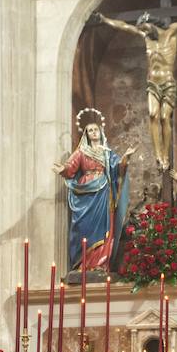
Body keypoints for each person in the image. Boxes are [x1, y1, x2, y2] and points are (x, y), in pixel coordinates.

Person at [92, 2, 177, 171]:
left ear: (152, 24)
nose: (142, 31)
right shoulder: (146, 37)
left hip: (168, 83)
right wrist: (105, 19)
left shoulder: (172, 32)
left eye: (144, 27)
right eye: (141, 29)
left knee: (165, 117)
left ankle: (165, 156)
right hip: (153, 83)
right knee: (152, 114)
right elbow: (124, 26)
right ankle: (158, 155)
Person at [54, 108, 135, 274]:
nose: (93, 132)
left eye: (95, 129)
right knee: (84, 227)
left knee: (105, 228)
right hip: (86, 195)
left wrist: (125, 158)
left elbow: (118, 169)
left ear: (100, 131)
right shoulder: (81, 152)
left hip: (104, 194)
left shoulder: (107, 153)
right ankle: (83, 264)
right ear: (86, 134)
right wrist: (63, 169)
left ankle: (100, 264)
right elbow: (70, 169)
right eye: (90, 130)